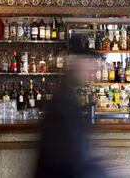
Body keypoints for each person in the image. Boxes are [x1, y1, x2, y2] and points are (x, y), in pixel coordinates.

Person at [34, 37, 109, 178]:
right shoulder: (64, 101)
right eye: (87, 61)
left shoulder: (66, 94)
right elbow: (73, 161)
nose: (91, 69)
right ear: (74, 63)